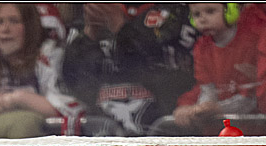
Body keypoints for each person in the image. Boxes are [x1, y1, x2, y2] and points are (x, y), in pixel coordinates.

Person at [0, 3, 83, 139]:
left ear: (30, 26)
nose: (5, 29)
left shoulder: (47, 59)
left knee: (24, 124)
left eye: (14, 21)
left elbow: (69, 110)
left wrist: (18, 99)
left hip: (35, 136)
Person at [62, 3, 196, 136]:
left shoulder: (177, 14)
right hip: (101, 134)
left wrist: (119, 26)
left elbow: (161, 75)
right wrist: (90, 33)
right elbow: (73, 84)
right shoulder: (88, 18)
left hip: (158, 131)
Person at [172, 3, 262, 133]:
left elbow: (251, 99)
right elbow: (207, 89)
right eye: (196, 14)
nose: (202, 19)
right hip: (219, 129)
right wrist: (197, 109)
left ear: (231, 11)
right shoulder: (201, 47)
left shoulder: (250, 40)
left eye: (210, 11)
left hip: (254, 128)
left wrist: (216, 109)